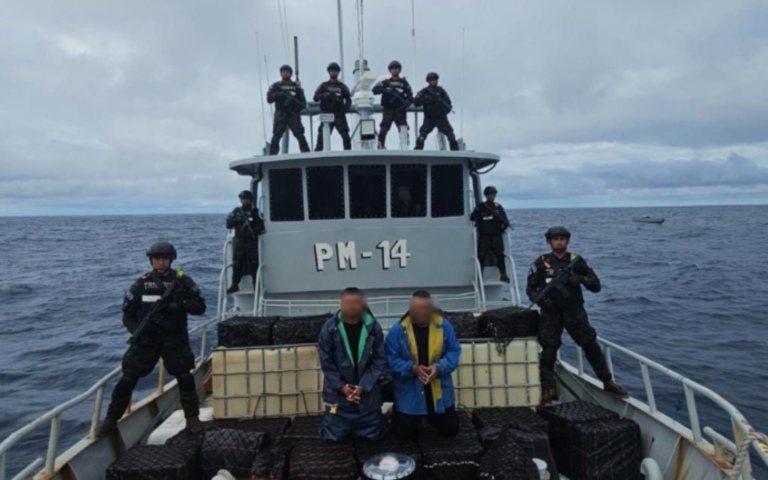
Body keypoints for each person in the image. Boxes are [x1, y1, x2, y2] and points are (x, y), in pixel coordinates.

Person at [97, 242, 206, 437]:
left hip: (175, 339)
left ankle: (192, 418)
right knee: (128, 378)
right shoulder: (141, 284)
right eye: (157, 258)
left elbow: (200, 306)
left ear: (171, 259)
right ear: (151, 260)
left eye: (164, 258)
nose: (161, 262)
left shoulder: (183, 282)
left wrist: (178, 306)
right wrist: (136, 332)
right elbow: (127, 314)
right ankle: (111, 420)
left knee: (185, 377)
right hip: (147, 340)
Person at [526, 226, 629, 406]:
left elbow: (596, 286)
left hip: (575, 312)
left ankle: (608, 382)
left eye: (562, 239)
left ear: (567, 241)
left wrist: (580, 279)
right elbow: (531, 289)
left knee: (590, 344)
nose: (559, 242)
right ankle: (546, 391)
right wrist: (542, 302)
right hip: (550, 314)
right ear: (549, 242)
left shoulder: (576, 261)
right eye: (555, 239)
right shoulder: (541, 262)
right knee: (549, 350)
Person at [385, 290, 462, 440]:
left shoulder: (444, 326)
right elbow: (391, 358)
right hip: (409, 397)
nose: (422, 312)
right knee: (402, 435)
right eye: (418, 308)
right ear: (410, 309)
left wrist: (439, 367)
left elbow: (454, 350)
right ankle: (396, 410)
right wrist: (412, 368)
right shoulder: (397, 330)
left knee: (450, 431)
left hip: (439, 395)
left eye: (426, 308)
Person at [319, 288, 386, 442]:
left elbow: (379, 360)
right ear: (340, 304)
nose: (352, 306)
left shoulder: (374, 327)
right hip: (338, 398)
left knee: (374, 439)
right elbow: (326, 361)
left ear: (362, 304)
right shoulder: (329, 328)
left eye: (356, 302)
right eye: (348, 302)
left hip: (368, 398)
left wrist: (363, 386)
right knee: (332, 441)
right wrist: (342, 387)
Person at [226, 190, 265, 294]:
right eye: (243, 199)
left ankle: (256, 285)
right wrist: (237, 220)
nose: (245, 201)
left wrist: (254, 231)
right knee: (237, 262)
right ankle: (235, 284)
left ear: (250, 200)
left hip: (251, 240)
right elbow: (228, 224)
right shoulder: (236, 211)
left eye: (246, 199)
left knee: (254, 262)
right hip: (239, 240)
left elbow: (261, 225)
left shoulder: (255, 212)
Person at [470, 186, 511, 283]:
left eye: (493, 194)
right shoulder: (481, 206)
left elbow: (505, 221)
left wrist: (502, 228)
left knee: (500, 255)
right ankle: (479, 276)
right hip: (485, 236)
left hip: (496, 235)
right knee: (482, 255)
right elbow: (472, 218)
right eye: (489, 194)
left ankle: (503, 274)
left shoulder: (498, 207)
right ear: (486, 195)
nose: (491, 196)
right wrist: (477, 213)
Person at [267, 64, 310, 155]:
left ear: (291, 74)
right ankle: (272, 156)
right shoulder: (276, 86)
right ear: (281, 73)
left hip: (293, 114)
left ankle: (307, 154)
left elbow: (303, 103)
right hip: (280, 114)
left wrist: (296, 108)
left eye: (287, 72)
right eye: (284, 72)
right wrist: (278, 95)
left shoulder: (296, 87)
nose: (285, 73)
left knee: (300, 135)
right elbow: (269, 99)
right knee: (276, 136)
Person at [372, 60, 413, 149]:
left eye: (396, 69)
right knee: (384, 129)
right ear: (390, 70)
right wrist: (385, 90)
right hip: (388, 109)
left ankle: (405, 148)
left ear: (399, 70)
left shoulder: (404, 83)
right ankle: (380, 146)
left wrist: (405, 105)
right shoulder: (385, 82)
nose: (395, 70)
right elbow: (374, 90)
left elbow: (410, 97)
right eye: (393, 69)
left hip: (400, 110)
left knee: (403, 130)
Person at [413, 72, 459, 151]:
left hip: (441, 118)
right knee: (422, 136)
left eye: (435, 80)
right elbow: (416, 102)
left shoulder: (441, 91)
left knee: (451, 135)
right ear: (428, 81)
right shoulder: (424, 91)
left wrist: (443, 111)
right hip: (429, 119)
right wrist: (426, 100)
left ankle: (455, 152)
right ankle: (417, 152)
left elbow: (448, 104)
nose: (434, 81)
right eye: (432, 80)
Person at [314, 62, 352, 151]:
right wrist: (323, 96)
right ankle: (315, 158)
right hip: (327, 114)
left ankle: (348, 156)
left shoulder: (343, 87)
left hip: (339, 115)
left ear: (338, 72)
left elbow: (349, 100)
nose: (333, 72)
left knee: (345, 135)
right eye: (332, 71)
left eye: (335, 71)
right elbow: (315, 97)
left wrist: (344, 110)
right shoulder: (323, 85)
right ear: (329, 72)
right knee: (321, 137)